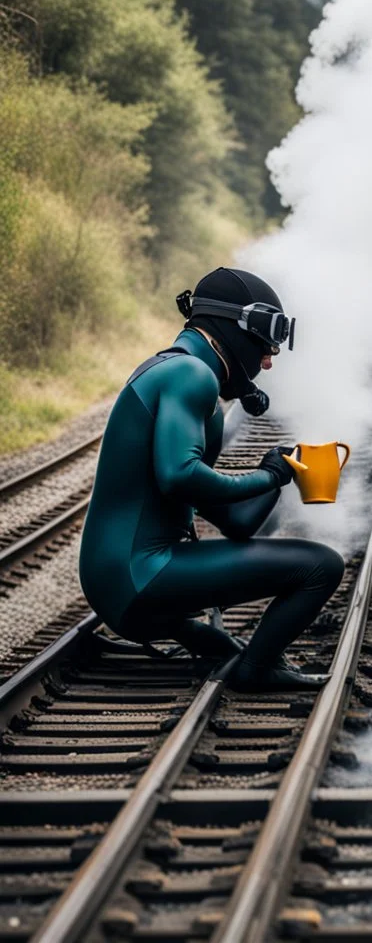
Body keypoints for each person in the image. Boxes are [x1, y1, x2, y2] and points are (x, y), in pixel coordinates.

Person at [79, 267, 345, 692]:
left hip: (120, 583)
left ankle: (224, 650)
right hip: (142, 576)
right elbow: (179, 477)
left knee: (225, 644)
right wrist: (265, 475)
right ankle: (256, 672)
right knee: (322, 565)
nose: (269, 360)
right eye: (266, 344)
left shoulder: (175, 372)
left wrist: (281, 472)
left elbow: (236, 523)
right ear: (239, 330)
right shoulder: (191, 376)